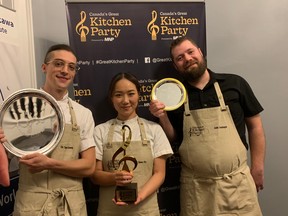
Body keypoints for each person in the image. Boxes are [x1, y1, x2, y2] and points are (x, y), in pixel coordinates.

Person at [149, 36, 266, 216]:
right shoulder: (175, 96)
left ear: (200, 53)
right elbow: (174, 137)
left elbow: (255, 126)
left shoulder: (235, 84)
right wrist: (162, 116)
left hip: (237, 185)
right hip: (196, 190)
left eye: (190, 52)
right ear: (175, 66)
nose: (187, 59)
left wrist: (257, 167)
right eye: (180, 58)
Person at [0, 44, 96, 215]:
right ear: (44, 67)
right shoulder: (18, 109)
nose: (65, 70)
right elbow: (3, 170)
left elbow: (89, 167)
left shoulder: (83, 114)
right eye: (58, 64)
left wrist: (50, 164)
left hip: (71, 206)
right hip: (31, 205)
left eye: (71, 67)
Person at [90, 72, 173, 216]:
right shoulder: (100, 131)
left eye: (131, 94)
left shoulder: (154, 129)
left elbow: (159, 173)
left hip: (145, 210)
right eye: (118, 95)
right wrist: (114, 177)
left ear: (139, 95)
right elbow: (95, 175)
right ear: (111, 98)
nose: (125, 100)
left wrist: (140, 196)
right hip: (109, 211)